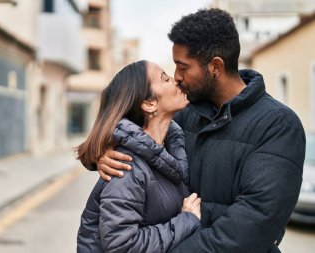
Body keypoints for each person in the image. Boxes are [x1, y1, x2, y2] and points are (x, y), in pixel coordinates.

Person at [94, 9, 306, 253]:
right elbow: (134, 130)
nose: (177, 77)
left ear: (215, 66)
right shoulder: (184, 115)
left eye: (183, 67)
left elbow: (254, 222)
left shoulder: (277, 125)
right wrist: (103, 152)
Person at [76, 60, 202, 253]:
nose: (175, 80)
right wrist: (187, 220)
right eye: (165, 78)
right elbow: (122, 246)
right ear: (149, 104)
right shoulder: (126, 167)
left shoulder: (171, 148)